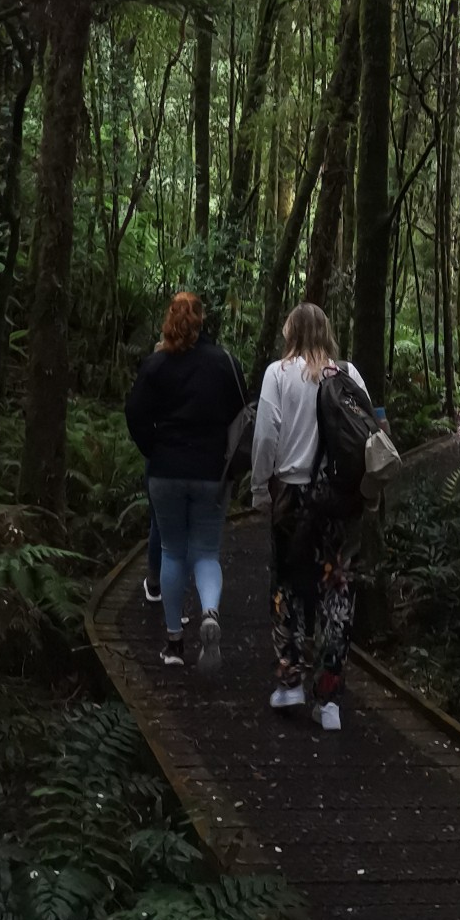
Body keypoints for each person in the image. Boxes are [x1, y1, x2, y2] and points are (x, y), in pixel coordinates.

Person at [250, 302, 370, 731]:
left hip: (293, 498)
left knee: (288, 585)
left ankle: (289, 682)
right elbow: (365, 437)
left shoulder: (278, 375)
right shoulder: (349, 375)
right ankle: (330, 700)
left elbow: (266, 435)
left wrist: (260, 486)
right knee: (336, 594)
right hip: (339, 500)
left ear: (291, 332)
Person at [125, 291, 244, 671]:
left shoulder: (156, 365)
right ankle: (209, 612)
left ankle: (174, 644)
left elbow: (134, 412)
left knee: (173, 552)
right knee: (207, 551)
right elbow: (242, 416)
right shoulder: (225, 363)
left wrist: (153, 447)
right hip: (211, 472)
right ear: (202, 321)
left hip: (166, 469)